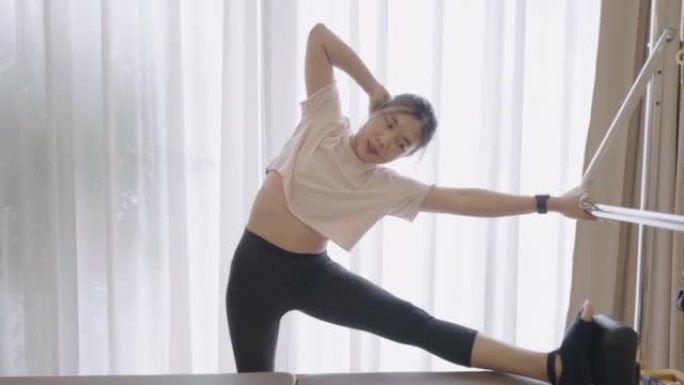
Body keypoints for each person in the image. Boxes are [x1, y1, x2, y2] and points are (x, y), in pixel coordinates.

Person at [227, 23, 597, 385]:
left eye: (402, 144)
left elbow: (463, 199)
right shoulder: (324, 120)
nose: (386, 140)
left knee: (414, 323)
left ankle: (552, 367)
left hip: (311, 275)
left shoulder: (385, 187)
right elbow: (319, 37)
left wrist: (550, 203)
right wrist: (374, 87)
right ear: (376, 112)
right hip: (253, 272)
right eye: (388, 123)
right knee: (256, 380)